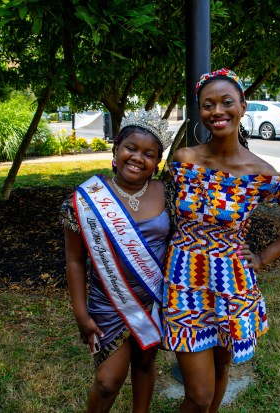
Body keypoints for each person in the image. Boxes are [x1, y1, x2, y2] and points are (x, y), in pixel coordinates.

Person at [161, 68, 280, 413]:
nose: (217, 111)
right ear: (199, 111)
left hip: (231, 284)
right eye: (207, 105)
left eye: (226, 102)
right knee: (197, 395)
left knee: (221, 367)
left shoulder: (262, 173)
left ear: (243, 106)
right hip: (184, 282)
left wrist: (262, 258)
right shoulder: (184, 160)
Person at [61, 110, 175, 413]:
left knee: (144, 364)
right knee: (107, 381)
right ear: (115, 149)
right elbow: (74, 260)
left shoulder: (167, 193)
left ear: (157, 162)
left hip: (152, 299)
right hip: (107, 303)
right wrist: (81, 314)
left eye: (149, 154)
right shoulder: (86, 199)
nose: (138, 158)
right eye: (131, 148)